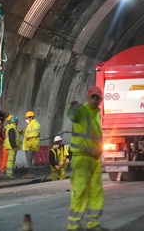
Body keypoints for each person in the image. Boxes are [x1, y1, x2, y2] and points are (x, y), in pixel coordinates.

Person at [66, 86, 105, 231]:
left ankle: (93, 224)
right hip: (82, 159)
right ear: (88, 98)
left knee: (96, 192)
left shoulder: (96, 115)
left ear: (100, 100)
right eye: (93, 97)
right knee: (79, 192)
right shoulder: (82, 111)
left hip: (94, 160)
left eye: (97, 97)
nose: (95, 100)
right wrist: (73, 107)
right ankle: (73, 225)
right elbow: (72, 115)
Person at [19, 110, 41, 179]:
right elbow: (27, 134)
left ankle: (31, 173)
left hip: (32, 145)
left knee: (29, 160)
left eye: (27, 118)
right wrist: (22, 132)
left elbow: (37, 133)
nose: (26, 119)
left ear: (31, 117)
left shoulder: (35, 124)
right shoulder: (30, 125)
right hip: (28, 145)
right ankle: (30, 173)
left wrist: (28, 135)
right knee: (28, 160)